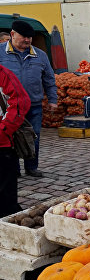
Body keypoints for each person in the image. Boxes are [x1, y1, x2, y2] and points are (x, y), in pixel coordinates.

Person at [0, 20, 57, 177]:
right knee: (9, 138)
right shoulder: (0, 53)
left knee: (33, 137)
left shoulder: (40, 55)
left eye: (30, 37)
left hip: (33, 105)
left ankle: (31, 167)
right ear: (12, 34)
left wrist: (53, 99)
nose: (27, 40)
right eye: (24, 36)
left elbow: (49, 79)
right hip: (8, 107)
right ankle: (13, 169)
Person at [0, 65, 30, 216]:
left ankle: (10, 224)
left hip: (2, 145)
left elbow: (20, 102)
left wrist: (3, 130)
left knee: (5, 194)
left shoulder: (4, 74)